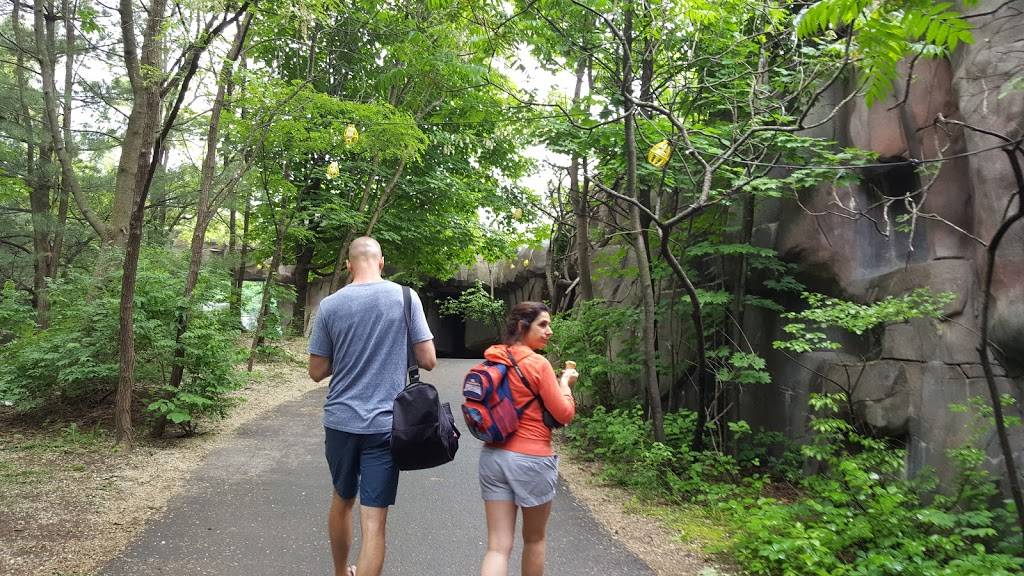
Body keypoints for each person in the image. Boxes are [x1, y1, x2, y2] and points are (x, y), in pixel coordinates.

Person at [307, 236, 436, 576]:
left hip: (340, 421)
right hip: (386, 424)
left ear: (349, 265)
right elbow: (429, 359)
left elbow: (316, 371)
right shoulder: (406, 298)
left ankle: (339, 572)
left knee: (342, 499)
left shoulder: (330, 306)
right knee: (375, 521)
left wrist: (347, 355)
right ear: (381, 262)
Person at [478, 301, 577, 576]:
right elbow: (564, 414)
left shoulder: (493, 357)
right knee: (534, 539)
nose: (550, 331)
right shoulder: (537, 364)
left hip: (493, 458)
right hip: (531, 459)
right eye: (543, 324)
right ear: (523, 327)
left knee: (497, 547)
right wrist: (565, 384)